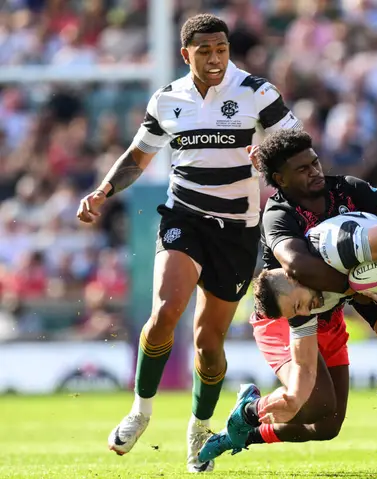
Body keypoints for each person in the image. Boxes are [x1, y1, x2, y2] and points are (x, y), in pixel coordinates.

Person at [76, 14, 300, 473]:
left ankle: (200, 425)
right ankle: (140, 410)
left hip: (238, 230)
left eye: (221, 49)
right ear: (186, 55)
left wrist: (269, 157)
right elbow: (138, 157)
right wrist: (103, 190)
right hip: (185, 218)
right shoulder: (167, 100)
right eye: (205, 51)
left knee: (208, 340)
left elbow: (297, 147)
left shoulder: (257, 93)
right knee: (164, 312)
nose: (215, 58)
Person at [198, 129, 377, 461]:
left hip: (333, 305)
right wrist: (359, 285)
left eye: (314, 162)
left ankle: (248, 432)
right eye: (302, 169)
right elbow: (298, 266)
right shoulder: (278, 214)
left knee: (328, 425)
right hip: (293, 311)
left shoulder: (344, 187)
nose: (314, 171)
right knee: (314, 404)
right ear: (279, 179)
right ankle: (249, 413)